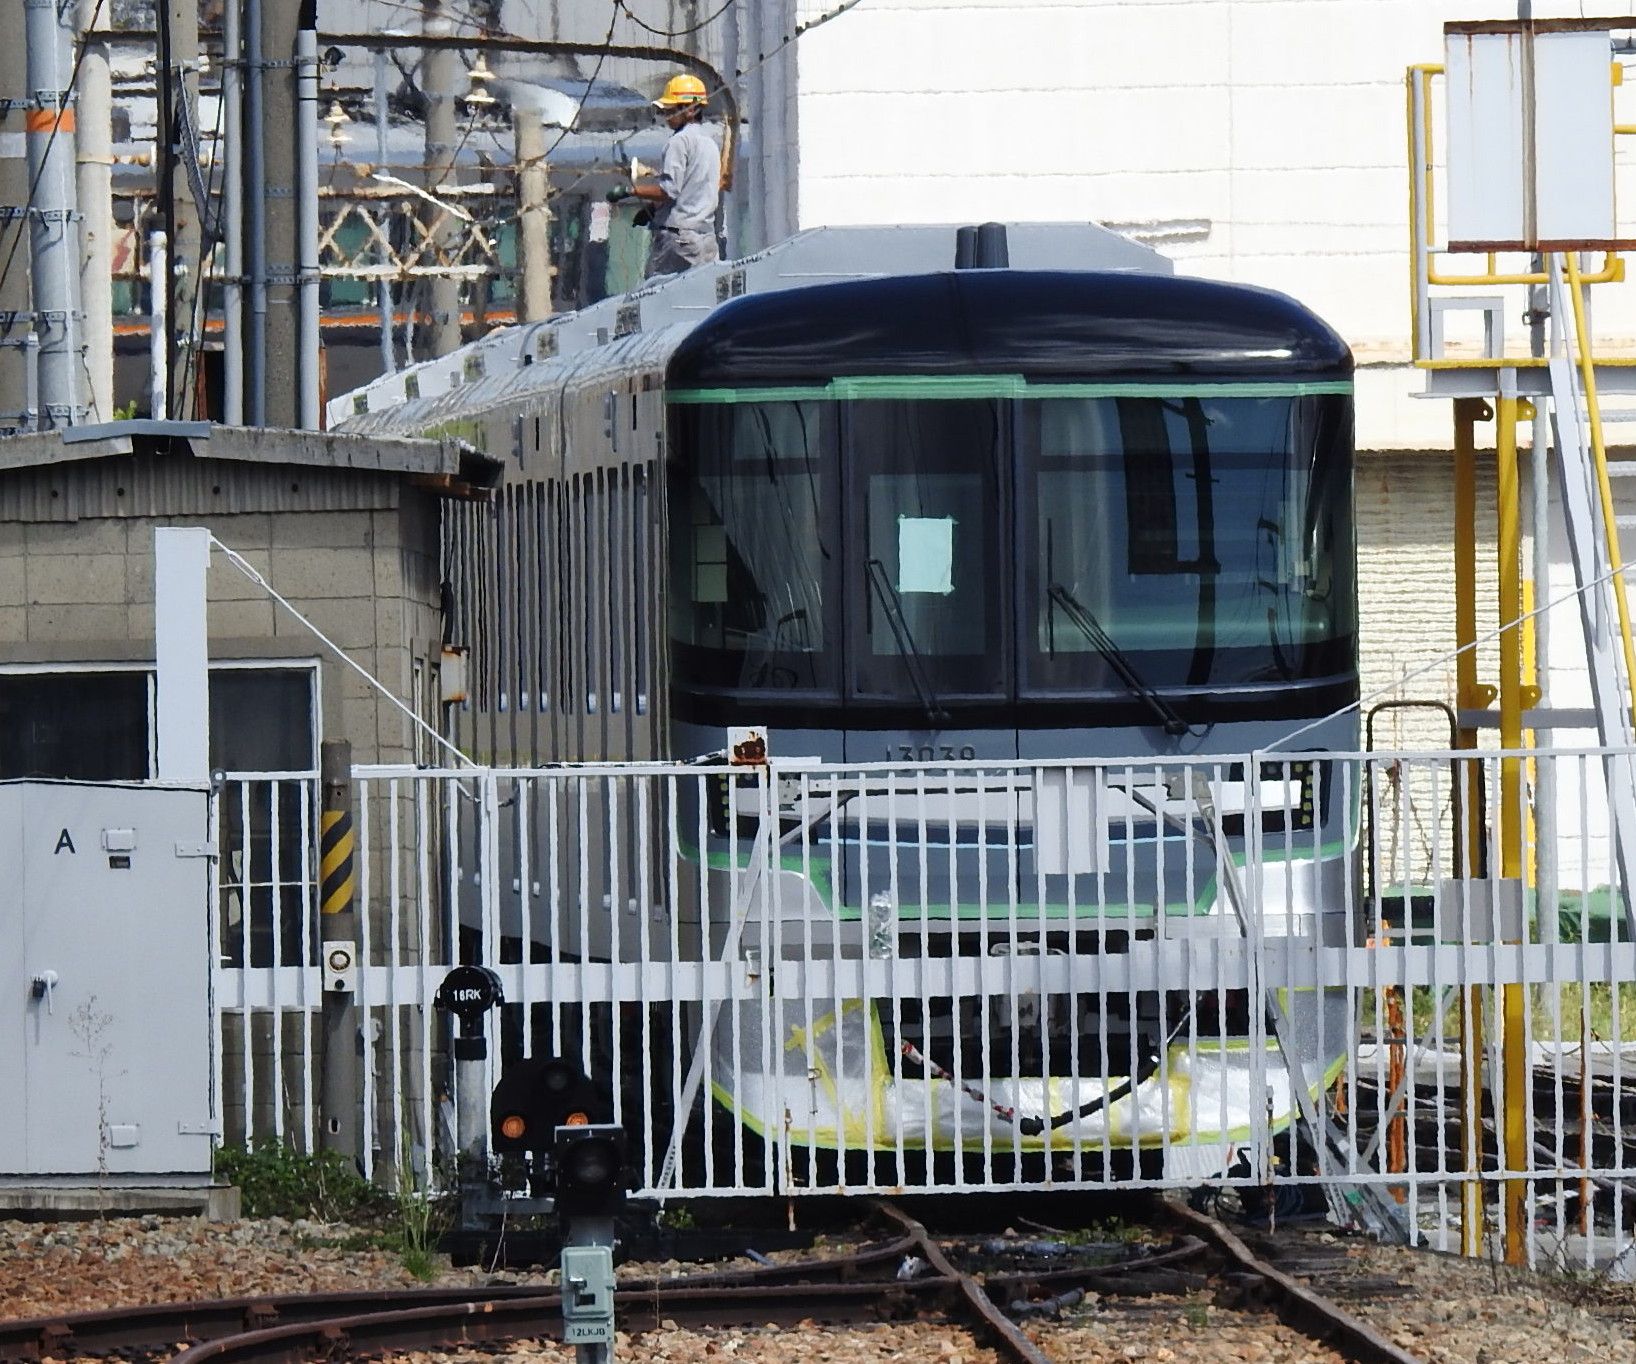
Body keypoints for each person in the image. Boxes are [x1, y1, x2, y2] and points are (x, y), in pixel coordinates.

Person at [608, 74, 721, 277]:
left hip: (679, 240)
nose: (666, 115)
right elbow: (689, 190)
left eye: (671, 109)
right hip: (706, 239)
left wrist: (629, 192)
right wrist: (652, 209)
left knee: (656, 296)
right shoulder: (710, 143)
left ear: (691, 109)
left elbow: (668, 190)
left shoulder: (679, 142)